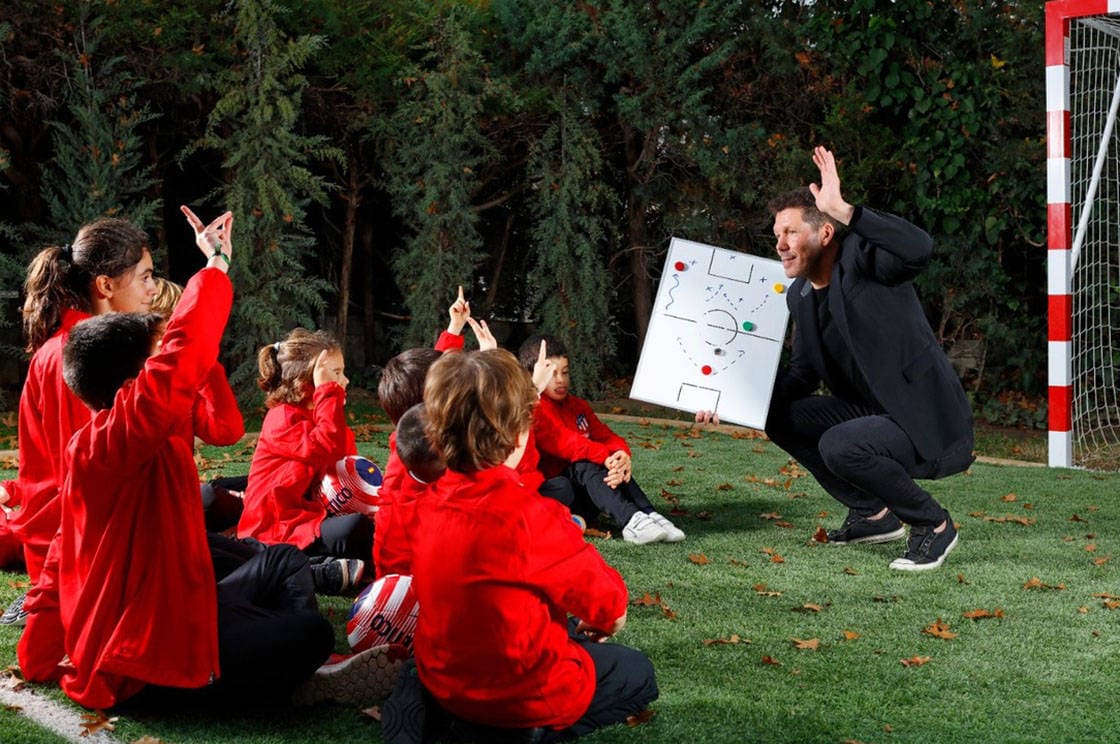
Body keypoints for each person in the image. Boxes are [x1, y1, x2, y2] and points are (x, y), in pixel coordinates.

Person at [16, 209, 398, 710]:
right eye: (147, 277)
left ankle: (276, 658)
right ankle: (286, 673)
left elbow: (220, 423)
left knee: (280, 575)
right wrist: (214, 267)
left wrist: (38, 651)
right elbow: (180, 361)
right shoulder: (114, 434)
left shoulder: (119, 433)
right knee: (306, 633)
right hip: (142, 652)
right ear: (135, 383)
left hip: (171, 600)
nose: (154, 291)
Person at [702, 146, 973, 571]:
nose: (780, 244)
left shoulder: (866, 261)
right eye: (778, 234)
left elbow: (919, 248)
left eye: (791, 232)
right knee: (778, 414)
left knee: (839, 444)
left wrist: (845, 210)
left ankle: (934, 525)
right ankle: (873, 514)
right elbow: (804, 374)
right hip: (870, 415)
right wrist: (734, 404)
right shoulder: (801, 295)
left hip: (923, 420)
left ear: (825, 234)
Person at [380, 349, 658, 743]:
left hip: (445, 681)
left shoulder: (427, 503)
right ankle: (529, 732)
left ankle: (419, 701)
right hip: (518, 700)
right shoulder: (534, 517)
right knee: (637, 673)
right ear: (518, 433)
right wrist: (607, 620)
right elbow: (609, 607)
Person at [0, 217, 158, 628]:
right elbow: (88, 484)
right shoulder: (86, 354)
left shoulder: (62, 345)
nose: (152, 290)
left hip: (62, 543)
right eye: (145, 277)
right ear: (105, 286)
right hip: (79, 553)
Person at [236, 328, 370, 594]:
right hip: (279, 528)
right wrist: (328, 394)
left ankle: (335, 569)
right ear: (305, 381)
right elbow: (325, 447)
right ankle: (311, 569)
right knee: (354, 529)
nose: (344, 381)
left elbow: (342, 463)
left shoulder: (321, 417)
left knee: (367, 526)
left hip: (310, 518)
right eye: (334, 374)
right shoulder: (282, 419)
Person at [518, 335, 684, 545]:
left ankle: (649, 514)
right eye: (551, 374)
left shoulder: (577, 406)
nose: (560, 380)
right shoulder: (531, 408)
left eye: (565, 372)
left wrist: (621, 455)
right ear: (534, 375)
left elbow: (606, 436)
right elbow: (564, 442)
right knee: (585, 464)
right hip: (550, 492)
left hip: (585, 491)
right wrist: (605, 457)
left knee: (605, 462)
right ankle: (631, 520)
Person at [150, 276, 247, 533]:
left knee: (256, 484)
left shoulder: (185, 380)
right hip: (156, 506)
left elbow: (226, 432)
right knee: (217, 500)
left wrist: (206, 365)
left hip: (183, 492)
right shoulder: (136, 380)